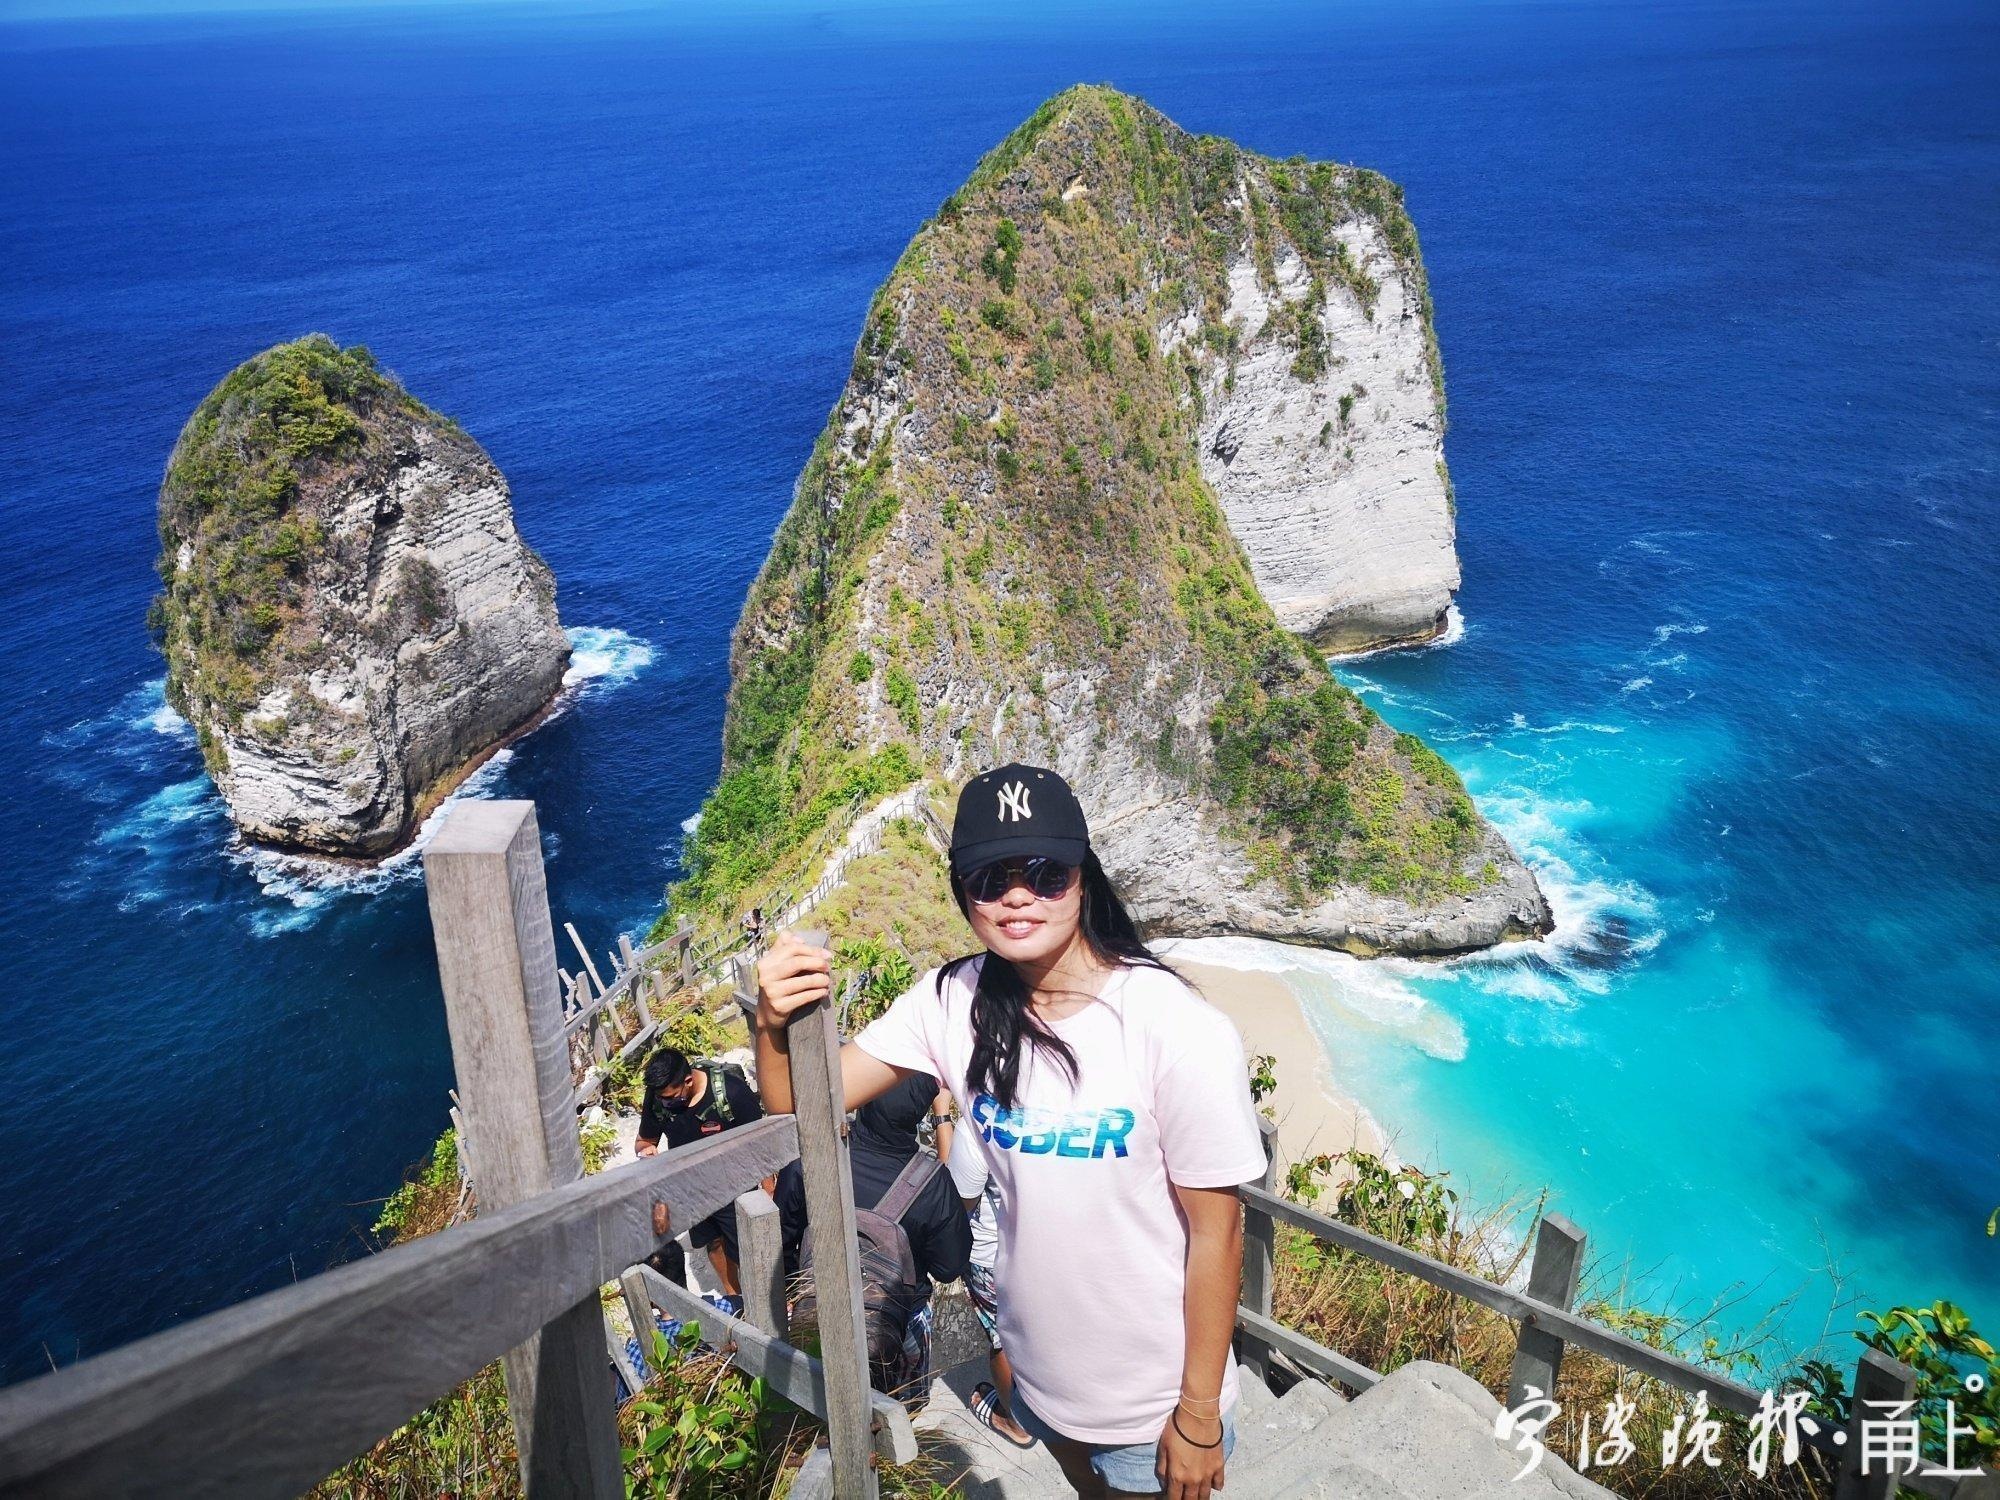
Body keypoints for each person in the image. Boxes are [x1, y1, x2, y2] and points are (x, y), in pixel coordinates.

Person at [754, 763, 1264, 1500]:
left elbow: (1218, 1234)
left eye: (1045, 872)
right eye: (990, 878)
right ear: (964, 894)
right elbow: (799, 1103)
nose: (1018, 894)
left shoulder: (1176, 1028)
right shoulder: (948, 1002)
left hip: (1149, 1400)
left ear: (1083, 878)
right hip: (1037, 1371)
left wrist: (1197, 1415)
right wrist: (773, 1022)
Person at [776, 1070, 972, 1401]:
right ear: (919, 1112)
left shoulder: (809, 1160)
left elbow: (780, 1240)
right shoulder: (933, 1182)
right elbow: (949, 1267)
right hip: (898, 1324)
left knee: (817, 1403)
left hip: (818, 1307)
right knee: (898, 1407)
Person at [636, 1047, 767, 1299]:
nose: (667, 1103)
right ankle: (734, 1298)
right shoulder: (658, 1100)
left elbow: (763, 1144)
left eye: (672, 1098)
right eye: (663, 1099)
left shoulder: (732, 1092)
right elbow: (644, 1141)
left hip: (735, 1184)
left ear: (688, 1080)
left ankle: (764, 1300)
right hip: (693, 1189)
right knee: (713, 1242)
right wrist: (647, 1150)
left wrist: (769, 1190)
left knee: (745, 1248)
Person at [947, 1116, 1035, 1447]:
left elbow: (959, 1201)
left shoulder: (980, 1116)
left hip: (993, 1256)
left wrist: (944, 1117)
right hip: (1052, 1250)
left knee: (1003, 1339)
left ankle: (1016, 1423)